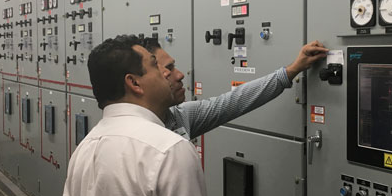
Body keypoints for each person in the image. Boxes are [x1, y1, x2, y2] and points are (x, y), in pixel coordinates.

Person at [63, 35, 327, 196]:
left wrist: (290, 71)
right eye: (159, 67)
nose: (177, 75)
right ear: (134, 83)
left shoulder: (84, 149)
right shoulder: (168, 150)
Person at [141, 37, 329, 139]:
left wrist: (293, 69)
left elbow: (236, 100)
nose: (180, 75)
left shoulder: (180, 116)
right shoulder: (133, 137)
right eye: (169, 69)